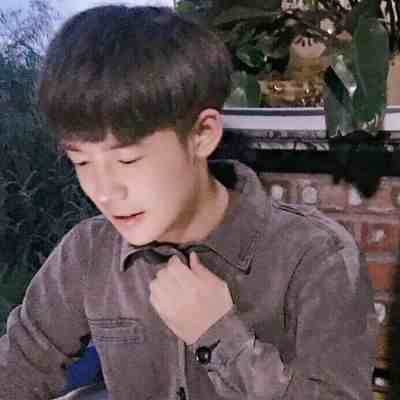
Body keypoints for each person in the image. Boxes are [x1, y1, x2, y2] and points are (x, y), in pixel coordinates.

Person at [0, 5, 377, 400]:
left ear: (202, 135)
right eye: (81, 162)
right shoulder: (88, 252)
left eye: (128, 160)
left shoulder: (316, 257)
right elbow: (21, 364)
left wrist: (218, 335)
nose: (105, 192)